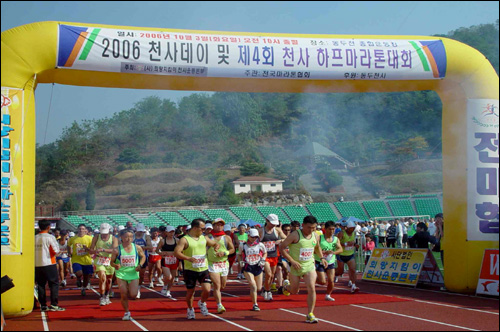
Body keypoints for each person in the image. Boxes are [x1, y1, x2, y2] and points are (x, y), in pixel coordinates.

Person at [280, 216, 327, 324]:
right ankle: (286, 286)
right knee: (294, 291)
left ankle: (310, 314)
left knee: (311, 288)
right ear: (303, 225)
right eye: (309, 227)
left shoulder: (316, 235)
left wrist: (322, 258)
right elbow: (282, 247)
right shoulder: (295, 235)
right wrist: (292, 261)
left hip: (309, 265)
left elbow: (317, 247)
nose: (311, 230)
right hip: (296, 267)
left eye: (314, 228)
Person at [174, 219, 220, 320]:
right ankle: (190, 309)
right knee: (191, 292)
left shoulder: (204, 238)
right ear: (195, 228)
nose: (203, 231)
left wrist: (216, 247)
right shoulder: (185, 239)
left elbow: (215, 244)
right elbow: (177, 252)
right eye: (202, 229)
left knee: (207, 290)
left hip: (203, 268)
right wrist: (188, 258)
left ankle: (202, 303)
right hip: (190, 270)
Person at [110, 229, 146, 321]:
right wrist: (115, 265)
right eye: (126, 237)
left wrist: (140, 265)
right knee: (124, 294)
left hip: (133, 273)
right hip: (121, 274)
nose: (128, 239)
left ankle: (133, 290)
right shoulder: (117, 249)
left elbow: (143, 256)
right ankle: (126, 312)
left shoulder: (137, 247)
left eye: (130, 237)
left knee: (133, 295)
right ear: (121, 237)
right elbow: (111, 262)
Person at [35, 219, 65, 312]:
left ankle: (43, 305)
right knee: (54, 284)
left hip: (37, 264)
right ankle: (54, 304)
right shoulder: (50, 237)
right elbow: (55, 252)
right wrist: (60, 253)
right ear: (48, 227)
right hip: (49, 263)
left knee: (41, 285)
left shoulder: (34, 237)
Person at [206, 218, 235, 314]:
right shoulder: (208, 237)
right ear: (213, 226)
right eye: (217, 225)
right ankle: (219, 305)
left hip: (223, 264)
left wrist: (225, 253)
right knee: (217, 286)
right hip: (212, 264)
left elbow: (232, 250)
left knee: (222, 286)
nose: (219, 227)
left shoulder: (226, 237)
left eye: (221, 225)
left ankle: (214, 292)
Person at [258, 214, 287, 301]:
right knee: (268, 273)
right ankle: (268, 291)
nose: (273, 225)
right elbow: (255, 242)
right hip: (265, 256)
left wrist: (281, 240)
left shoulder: (277, 230)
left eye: (275, 224)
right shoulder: (261, 231)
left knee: (272, 276)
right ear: (267, 221)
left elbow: (288, 238)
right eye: (272, 223)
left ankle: (266, 289)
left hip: (274, 255)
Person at [238, 228, 267, 311]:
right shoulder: (243, 245)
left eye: (255, 237)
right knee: (253, 285)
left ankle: (254, 296)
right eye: (252, 237)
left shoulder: (260, 245)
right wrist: (241, 262)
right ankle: (255, 304)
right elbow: (239, 254)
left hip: (258, 266)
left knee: (258, 288)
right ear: (248, 236)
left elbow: (265, 253)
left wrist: (263, 260)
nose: (254, 239)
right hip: (248, 266)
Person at [89, 223, 118, 306]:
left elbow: (115, 250)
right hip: (99, 259)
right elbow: (91, 249)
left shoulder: (113, 239)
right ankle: (101, 297)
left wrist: (104, 250)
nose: (104, 235)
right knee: (102, 277)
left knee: (109, 280)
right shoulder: (96, 237)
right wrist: (94, 251)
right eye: (103, 233)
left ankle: (106, 295)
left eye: (105, 233)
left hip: (110, 260)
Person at [314, 221, 343, 302]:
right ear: (325, 229)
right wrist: (322, 252)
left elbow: (340, 249)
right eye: (330, 229)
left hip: (330, 262)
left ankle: (328, 295)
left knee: (331, 280)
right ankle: (312, 279)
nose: (332, 231)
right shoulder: (320, 238)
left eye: (333, 229)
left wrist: (333, 252)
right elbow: (313, 249)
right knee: (323, 282)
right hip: (320, 261)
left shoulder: (336, 239)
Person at [68, 224, 94, 296]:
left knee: (87, 276)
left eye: (83, 229)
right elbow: (68, 245)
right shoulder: (73, 238)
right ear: (77, 230)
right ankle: (78, 279)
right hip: (76, 259)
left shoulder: (90, 238)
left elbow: (92, 249)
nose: (81, 230)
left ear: (86, 230)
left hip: (87, 260)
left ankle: (83, 288)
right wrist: (69, 252)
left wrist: (87, 249)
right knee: (79, 273)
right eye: (80, 229)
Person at [336, 220, 360, 293]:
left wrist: (355, 245)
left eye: (353, 228)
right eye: (351, 228)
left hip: (350, 255)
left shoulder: (353, 233)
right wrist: (345, 244)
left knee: (352, 270)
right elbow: (336, 243)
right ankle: (332, 273)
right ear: (347, 228)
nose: (352, 230)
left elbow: (353, 242)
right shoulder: (341, 233)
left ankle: (353, 285)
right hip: (341, 255)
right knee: (340, 271)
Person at [157, 225, 178, 298]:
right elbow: (157, 250)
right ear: (166, 232)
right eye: (170, 232)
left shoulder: (177, 240)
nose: (171, 234)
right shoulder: (163, 241)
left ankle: (168, 290)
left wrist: (176, 253)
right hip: (165, 261)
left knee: (172, 278)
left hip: (174, 260)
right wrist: (161, 253)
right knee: (168, 277)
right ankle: (165, 286)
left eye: (173, 232)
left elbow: (181, 249)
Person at [133, 223, 153, 299]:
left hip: (142, 258)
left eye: (141, 231)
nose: (140, 232)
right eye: (139, 231)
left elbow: (150, 247)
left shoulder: (146, 237)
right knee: (133, 275)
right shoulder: (132, 236)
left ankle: (138, 289)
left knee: (141, 275)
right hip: (133, 258)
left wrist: (141, 247)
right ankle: (132, 288)